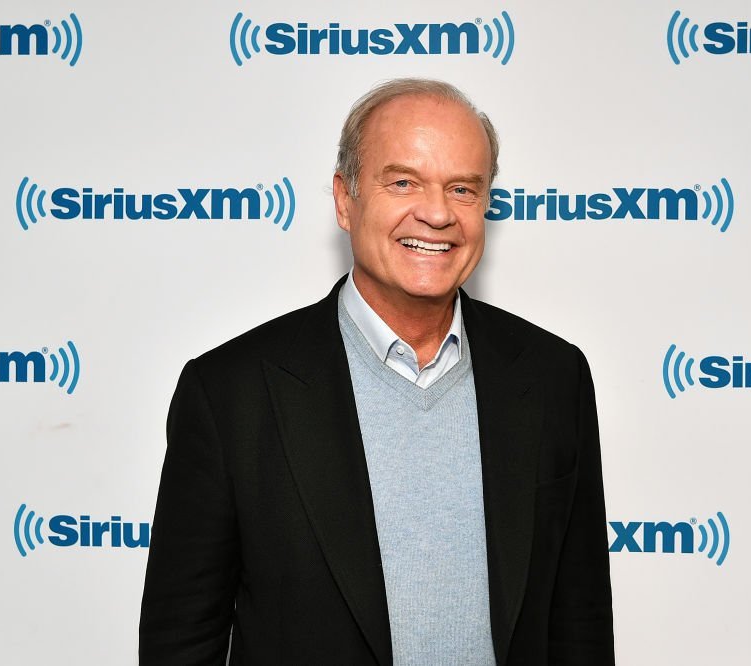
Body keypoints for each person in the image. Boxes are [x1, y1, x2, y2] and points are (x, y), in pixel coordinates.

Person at [139, 78, 614, 665]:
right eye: (403, 181)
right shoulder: (231, 393)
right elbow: (180, 639)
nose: (437, 213)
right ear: (345, 199)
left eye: (463, 188)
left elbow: (580, 622)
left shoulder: (553, 376)